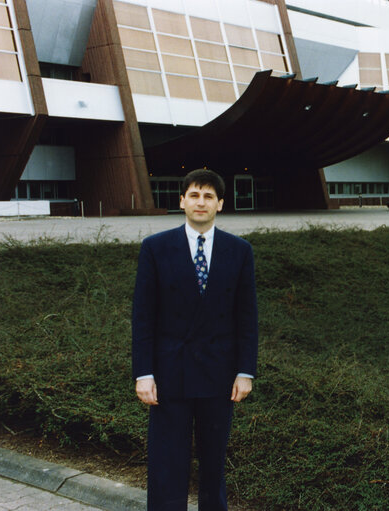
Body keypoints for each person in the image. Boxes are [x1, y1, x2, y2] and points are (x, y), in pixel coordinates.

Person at [132, 169, 258, 511]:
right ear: (182, 201)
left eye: (208, 196)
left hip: (220, 376)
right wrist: (143, 374)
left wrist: (245, 370)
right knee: (166, 463)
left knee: (213, 463)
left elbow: (247, 318)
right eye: (194, 195)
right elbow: (143, 317)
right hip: (168, 375)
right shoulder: (155, 248)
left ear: (220, 204)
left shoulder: (239, 251)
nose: (200, 202)